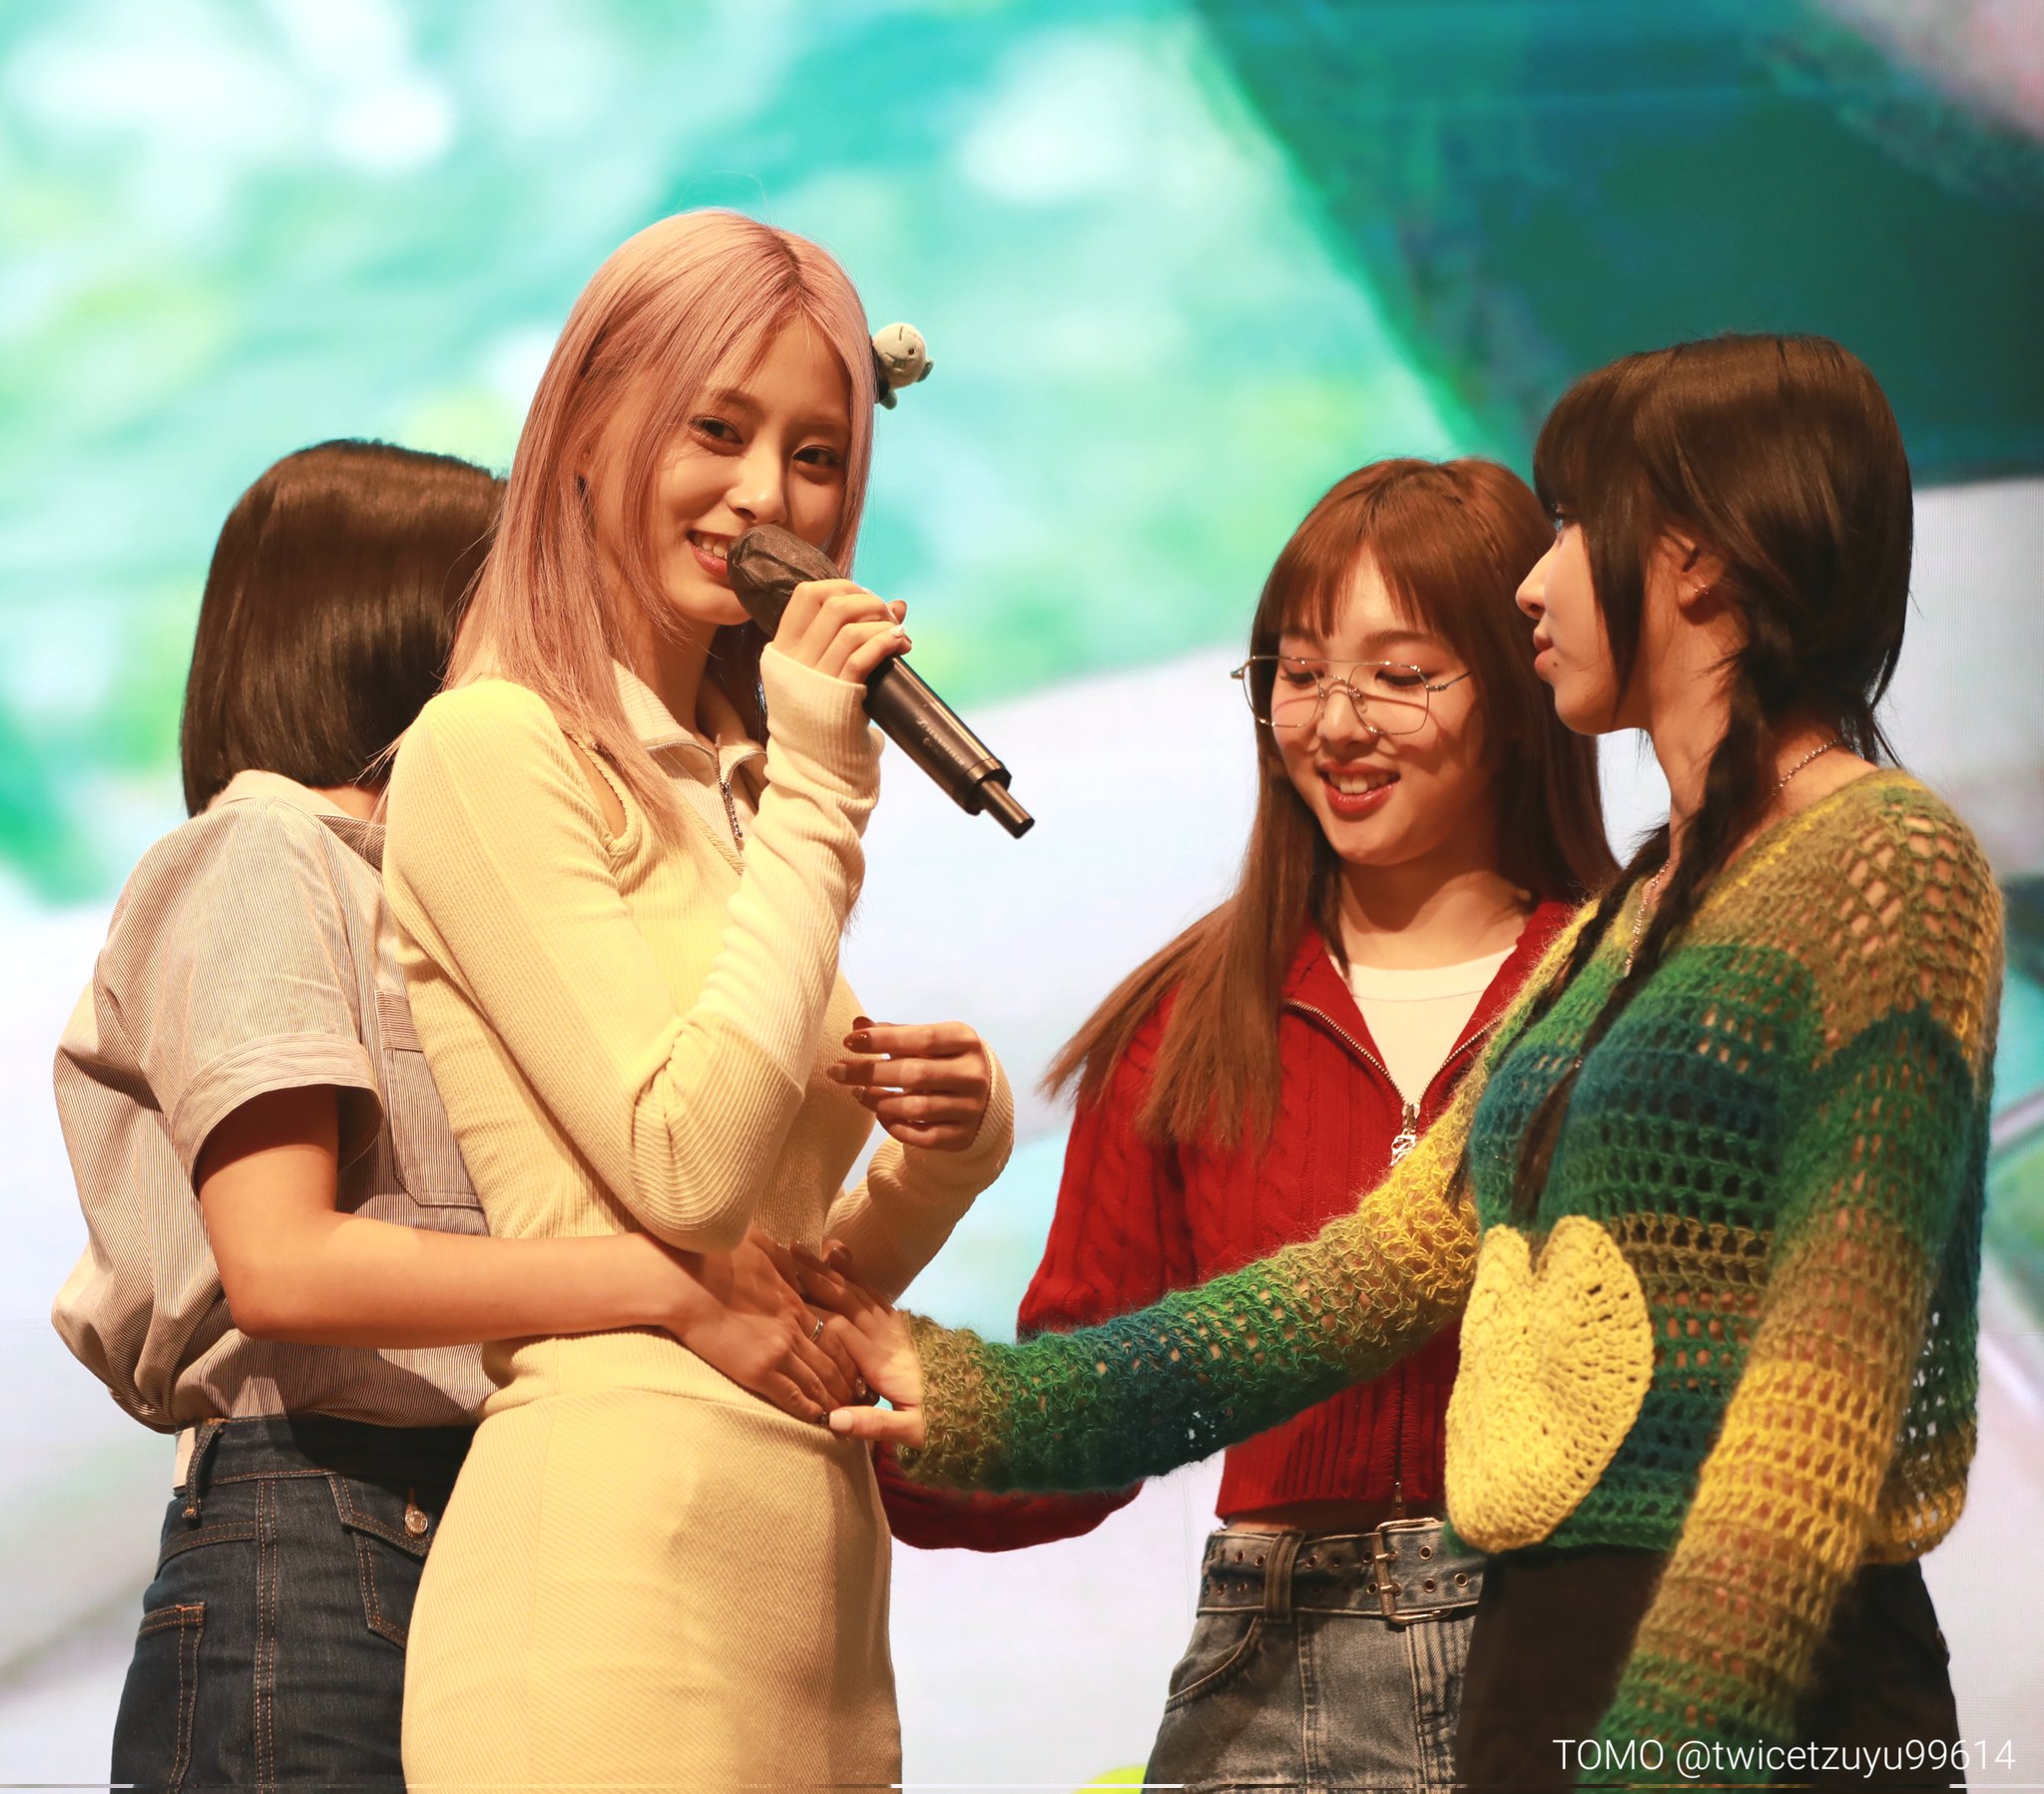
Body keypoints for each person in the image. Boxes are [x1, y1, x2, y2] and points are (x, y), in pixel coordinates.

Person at [823, 335, 2001, 1788]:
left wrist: (1670, 1743)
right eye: (1298, 672)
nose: (1536, 584)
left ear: (1694, 558)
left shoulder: (1884, 858)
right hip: (1550, 1658)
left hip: (1742, 1686)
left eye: (1573, 525)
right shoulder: (1637, 917)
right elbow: (1374, 1270)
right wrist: (981, 1399)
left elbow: (1824, 1392)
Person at [52, 440, 856, 1791]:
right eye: (519, 598)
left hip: (485, 1514)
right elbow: (285, 1263)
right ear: (390, 618)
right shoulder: (265, 851)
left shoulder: (457, 874)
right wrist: (667, 1285)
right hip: (316, 1536)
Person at [380, 211, 1013, 1787]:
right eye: (716, 431)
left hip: (809, 1608)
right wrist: (822, 785)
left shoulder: (732, 784)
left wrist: (951, 1155)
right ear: (594, 425)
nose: (765, 497)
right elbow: (684, 1168)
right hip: (610, 1578)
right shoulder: (495, 747)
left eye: (815, 456)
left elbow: (783, 1281)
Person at [876, 457, 1615, 1791]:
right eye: (1297, 672)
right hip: (1282, 1677)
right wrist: (872, 1417)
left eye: (1401, 673)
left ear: (1522, 692)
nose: (1336, 722)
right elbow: (1081, 1408)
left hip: (1585, 1648)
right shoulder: (1183, 1022)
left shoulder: (1630, 988)